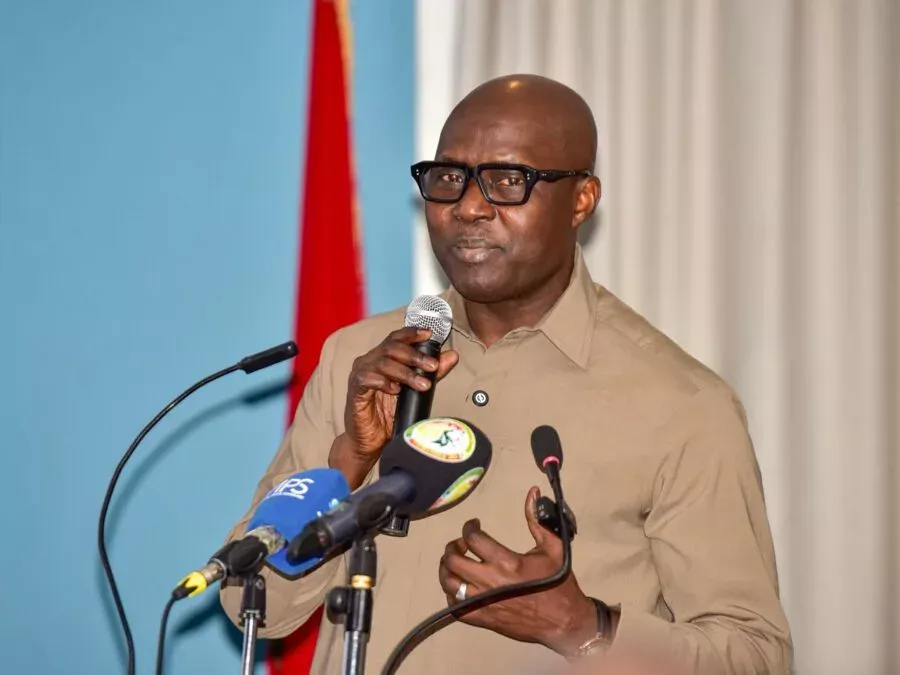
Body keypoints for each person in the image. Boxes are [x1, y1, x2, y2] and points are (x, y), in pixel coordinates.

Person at [220, 74, 793, 675]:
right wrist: (349, 463)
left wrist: (583, 627)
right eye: (449, 178)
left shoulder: (682, 403)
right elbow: (251, 604)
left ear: (581, 200)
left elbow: (756, 656)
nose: (468, 206)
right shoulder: (359, 359)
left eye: (507, 180)